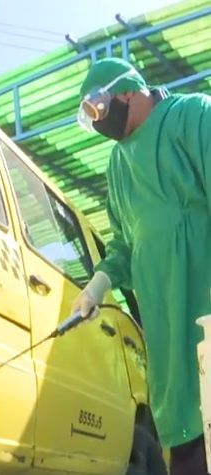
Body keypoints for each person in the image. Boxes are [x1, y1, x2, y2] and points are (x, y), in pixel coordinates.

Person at [72, 57, 211, 474]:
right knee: (186, 444)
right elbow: (125, 247)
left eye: (99, 108)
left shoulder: (191, 116)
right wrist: (97, 285)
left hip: (205, 316)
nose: (98, 123)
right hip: (168, 341)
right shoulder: (117, 167)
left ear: (128, 89)